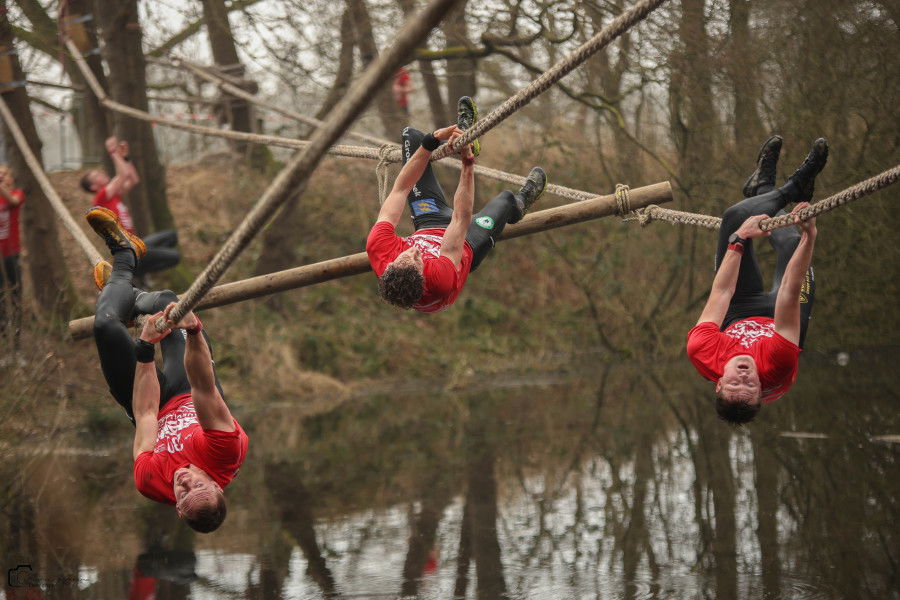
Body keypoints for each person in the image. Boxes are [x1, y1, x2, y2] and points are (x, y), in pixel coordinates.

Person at [86, 205, 248, 532]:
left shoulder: (150, 482)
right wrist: (194, 329)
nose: (184, 482)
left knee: (106, 326)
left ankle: (124, 278)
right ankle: (126, 275)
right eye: (197, 485)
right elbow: (204, 387)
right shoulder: (225, 452)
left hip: (149, 405)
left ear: (178, 509)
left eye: (183, 494)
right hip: (189, 392)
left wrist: (145, 348)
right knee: (169, 305)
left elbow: (146, 413)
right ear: (216, 485)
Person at [687, 136, 828, 424]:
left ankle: (775, 189)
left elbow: (722, 291)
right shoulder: (778, 364)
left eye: (734, 383)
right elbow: (789, 291)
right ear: (761, 389)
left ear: (718, 383)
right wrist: (810, 236)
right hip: (781, 323)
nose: (743, 376)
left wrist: (739, 240)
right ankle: (766, 189)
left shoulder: (702, 351)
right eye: (750, 386)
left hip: (737, 315)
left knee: (734, 219)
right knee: (793, 244)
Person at [367, 96, 547, 312]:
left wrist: (432, 140)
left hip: (428, 222)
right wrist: (467, 161)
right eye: (418, 259)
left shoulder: (380, 249)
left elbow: (401, 188)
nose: (414, 250)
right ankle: (518, 207)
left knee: (412, 136)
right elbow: (461, 218)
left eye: (406, 256)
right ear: (423, 277)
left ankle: (460, 136)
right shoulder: (439, 280)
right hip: (467, 243)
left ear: (390, 265)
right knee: (506, 199)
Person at [80, 136, 180, 288]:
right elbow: (123, 175)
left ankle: (139, 271)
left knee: (172, 236)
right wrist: (114, 152)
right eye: (96, 176)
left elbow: (133, 179)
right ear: (93, 187)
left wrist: (126, 158)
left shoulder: (113, 196)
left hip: (136, 244)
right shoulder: (100, 198)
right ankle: (137, 272)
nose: (101, 174)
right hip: (129, 251)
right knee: (175, 257)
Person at [0, 165, 25, 352]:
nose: (1, 177)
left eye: (3, 175)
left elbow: (14, 201)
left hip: (11, 254)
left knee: (16, 295)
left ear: (11, 179)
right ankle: (4, 343)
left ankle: (16, 346)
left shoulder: (17, 193)